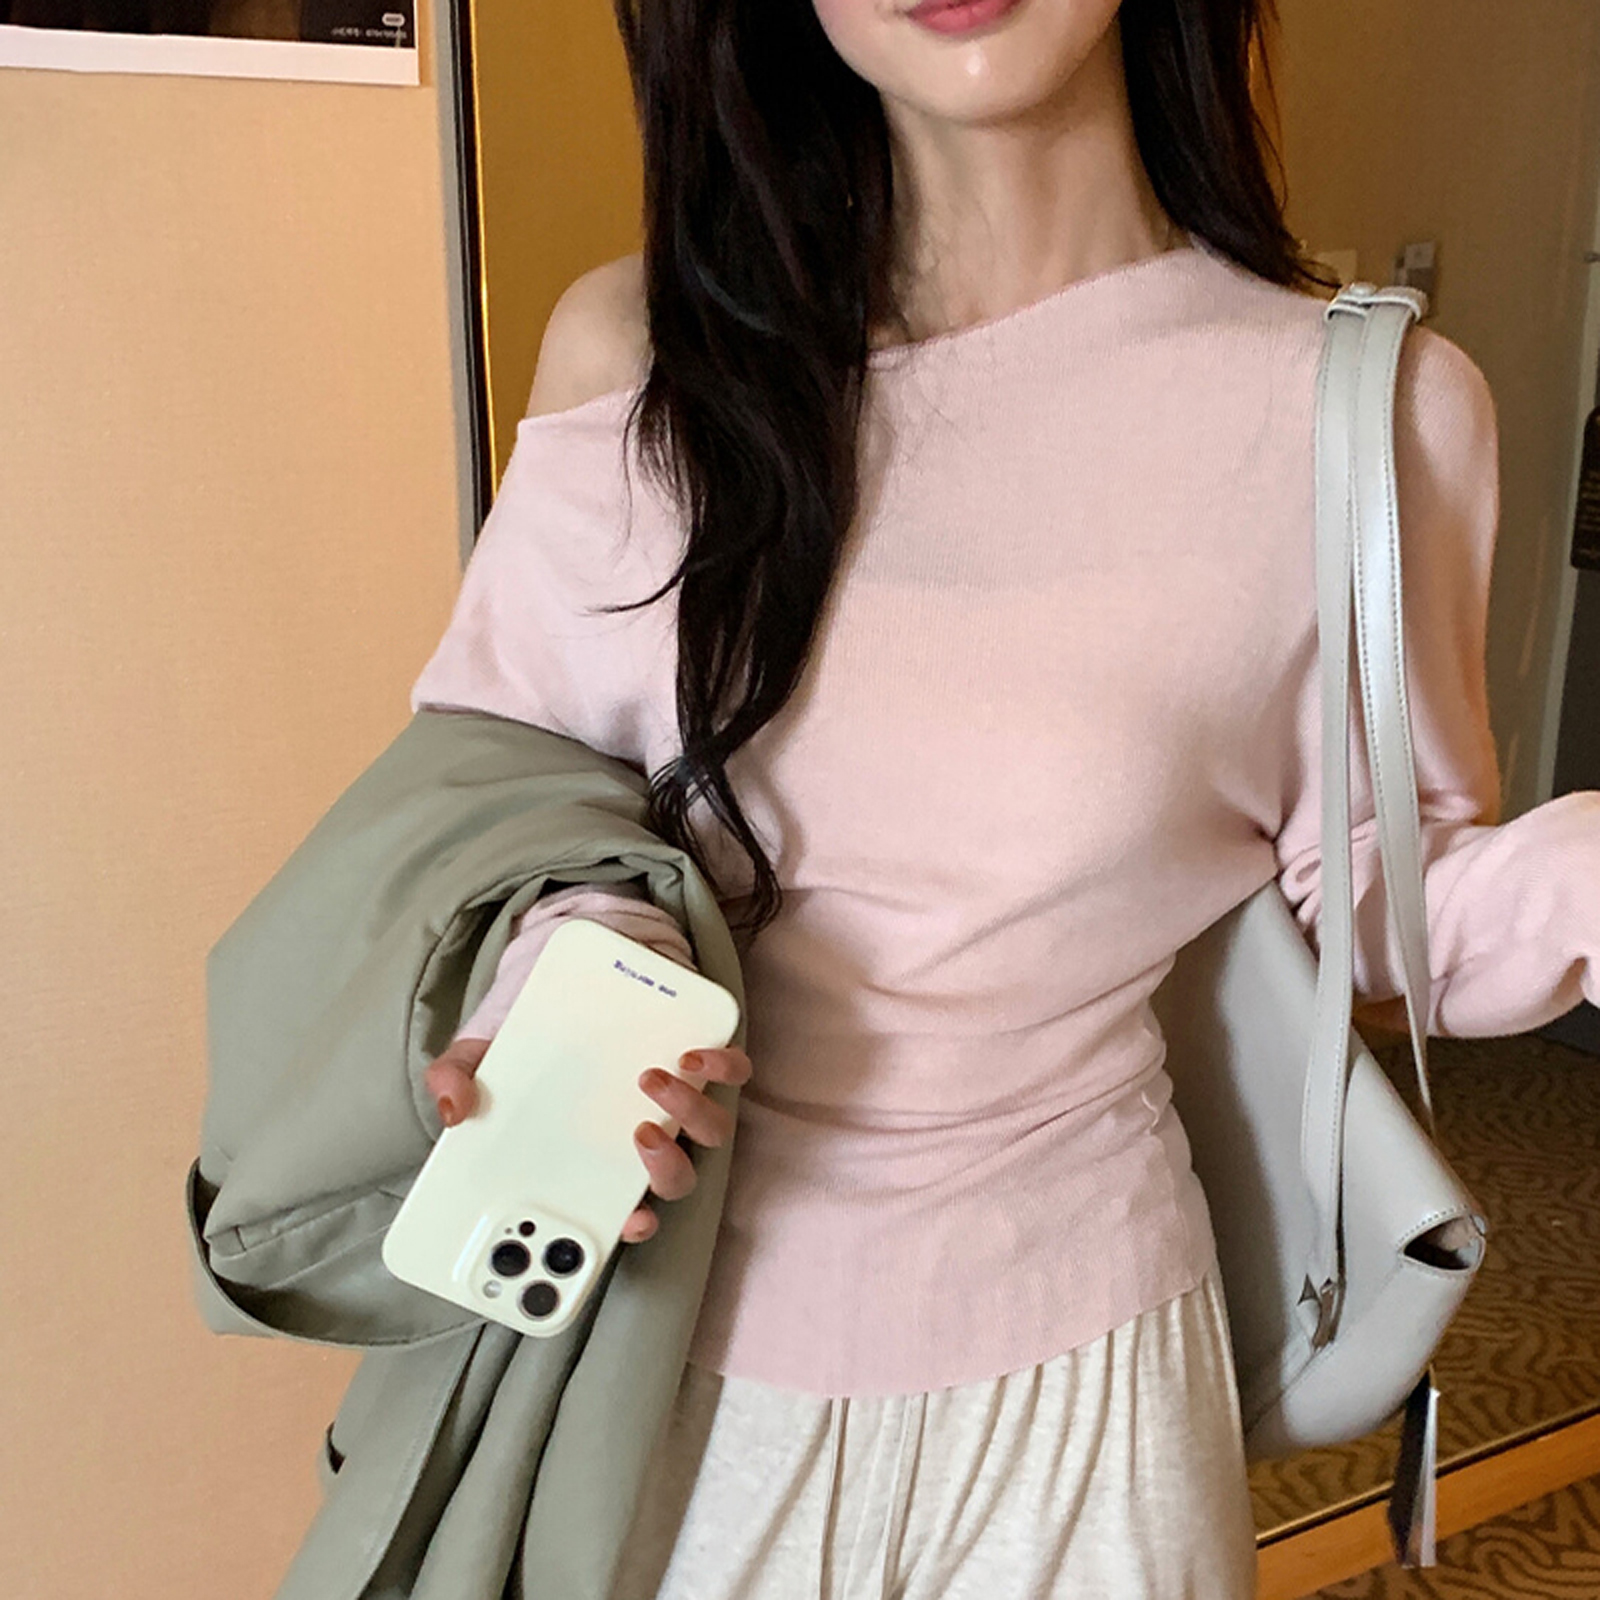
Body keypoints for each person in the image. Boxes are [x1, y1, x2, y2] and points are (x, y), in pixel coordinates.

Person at [407, 0, 1600, 1595]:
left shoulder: (1365, 406)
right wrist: (584, 942)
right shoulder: (640, 351)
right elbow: (510, 790)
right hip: (660, 1360)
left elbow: (1379, 884)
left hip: (1086, 1389)